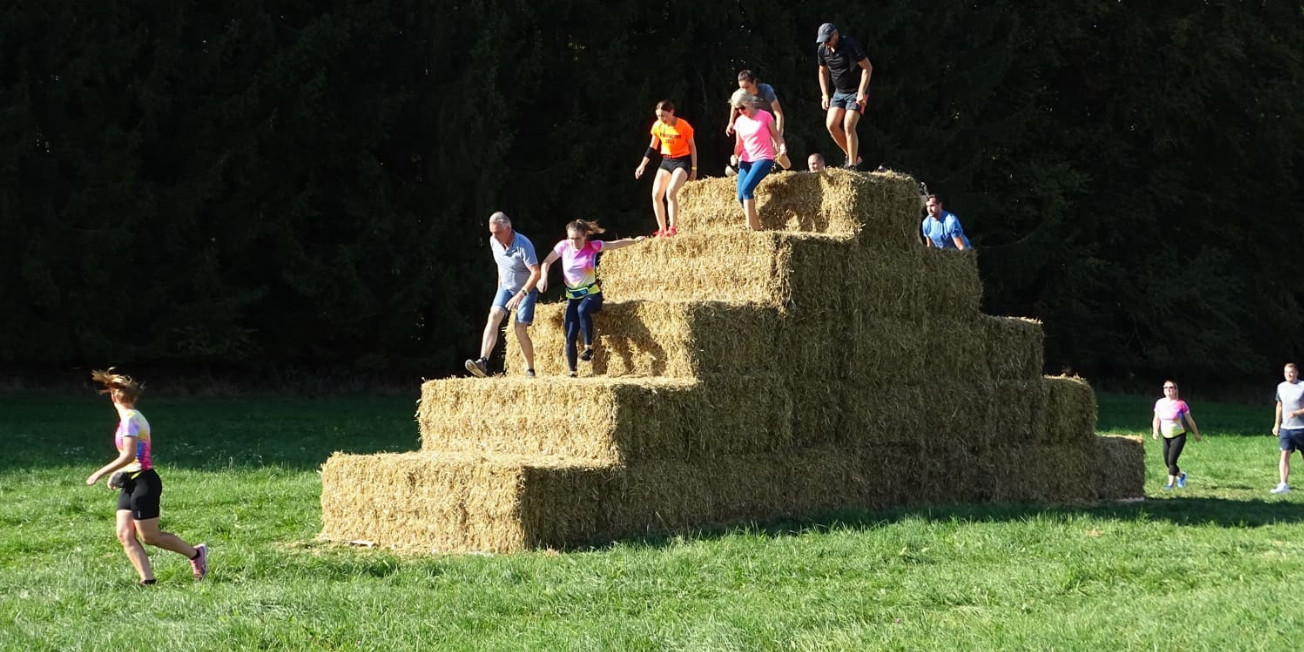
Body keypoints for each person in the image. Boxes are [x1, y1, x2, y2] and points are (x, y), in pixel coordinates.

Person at [84, 369, 208, 585]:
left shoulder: (131, 419)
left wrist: (101, 472)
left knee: (150, 537)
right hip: (131, 481)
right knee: (124, 534)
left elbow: (129, 454)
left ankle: (196, 554)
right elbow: (132, 458)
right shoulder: (128, 419)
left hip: (145, 481)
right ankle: (147, 580)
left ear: (114, 397)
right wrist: (120, 474)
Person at [537, 220, 646, 377]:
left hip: (592, 294)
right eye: (571, 238)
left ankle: (589, 348)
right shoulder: (563, 246)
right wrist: (543, 277)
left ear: (585, 236)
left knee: (583, 310)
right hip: (573, 296)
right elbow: (546, 262)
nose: (574, 242)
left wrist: (634, 241)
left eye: (577, 239)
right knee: (570, 334)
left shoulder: (593, 246)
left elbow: (614, 244)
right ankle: (572, 371)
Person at [465, 211, 541, 378]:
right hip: (506, 287)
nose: (494, 236)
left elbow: (536, 273)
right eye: (492, 232)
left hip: (525, 288)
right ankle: (483, 362)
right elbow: (500, 263)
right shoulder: (493, 241)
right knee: (493, 316)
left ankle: (530, 370)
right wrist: (500, 285)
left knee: (519, 328)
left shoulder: (524, 245)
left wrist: (521, 294)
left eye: (498, 232)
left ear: (509, 228)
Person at [634, 100, 698, 237]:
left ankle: (673, 227)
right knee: (656, 194)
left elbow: (692, 147)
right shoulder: (658, 126)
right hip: (666, 161)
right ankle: (662, 229)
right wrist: (642, 165)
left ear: (671, 112)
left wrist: (694, 168)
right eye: (658, 116)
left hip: (682, 161)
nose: (660, 119)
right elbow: (652, 147)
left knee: (670, 192)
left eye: (663, 115)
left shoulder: (684, 126)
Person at [816, 22, 873, 169]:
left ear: (835, 35)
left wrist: (861, 91)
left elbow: (867, 67)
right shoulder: (822, 49)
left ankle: (852, 165)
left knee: (848, 125)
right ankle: (854, 156)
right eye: (823, 41)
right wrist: (824, 94)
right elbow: (822, 71)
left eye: (828, 39)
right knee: (831, 125)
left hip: (856, 92)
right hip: (839, 93)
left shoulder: (850, 45)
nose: (826, 43)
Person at [729, 89, 787, 231]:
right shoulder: (739, 121)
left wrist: (782, 147)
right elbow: (739, 144)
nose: (740, 111)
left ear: (750, 102)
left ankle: (753, 229)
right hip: (746, 160)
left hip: (763, 158)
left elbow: (776, 136)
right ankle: (755, 225)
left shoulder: (765, 116)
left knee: (747, 189)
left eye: (742, 107)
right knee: (740, 196)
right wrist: (735, 156)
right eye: (737, 109)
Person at [727, 71, 790, 169]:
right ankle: (742, 167)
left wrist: (777, 135)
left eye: (747, 87)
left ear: (755, 82)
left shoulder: (766, 91)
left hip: (767, 121)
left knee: (776, 149)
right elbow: (736, 103)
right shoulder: (743, 95)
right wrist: (731, 122)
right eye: (741, 88)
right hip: (752, 122)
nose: (744, 90)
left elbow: (779, 114)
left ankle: (785, 167)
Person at [1152, 380, 1202, 490]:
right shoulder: (1159, 403)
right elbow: (1156, 418)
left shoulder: (1181, 404)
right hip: (1166, 436)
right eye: (1165, 387)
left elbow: (1189, 420)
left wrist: (1196, 434)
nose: (1168, 390)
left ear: (1175, 390)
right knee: (1167, 462)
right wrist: (1155, 431)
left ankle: (1170, 484)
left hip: (1179, 435)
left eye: (1171, 387)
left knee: (1172, 461)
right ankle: (1182, 476)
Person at [1271, 362, 1304, 494]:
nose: (1289, 375)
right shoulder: (1281, 387)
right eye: (1286, 372)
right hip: (1286, 428)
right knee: (1284, 455)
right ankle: (1284, 484)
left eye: (1291, 372)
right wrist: (1277, 424)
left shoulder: (1302, 386)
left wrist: (1297, 413)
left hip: (1301, 428)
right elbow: (1279, 405)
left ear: (1296, 373)